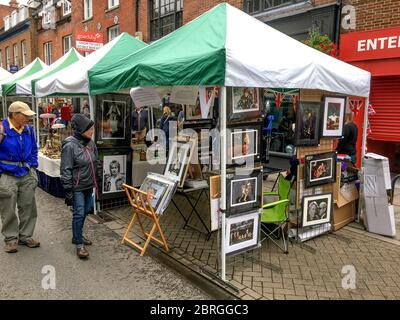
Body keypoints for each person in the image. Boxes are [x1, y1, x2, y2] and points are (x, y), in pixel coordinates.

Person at [0, 101, 40, 253]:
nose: (28, 119)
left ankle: (25, 236)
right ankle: (11, 239)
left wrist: (32, 165)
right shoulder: (2, 128)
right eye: (25, 115)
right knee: (8, 208)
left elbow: (34, 149)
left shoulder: (28, 129)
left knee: (28, 206)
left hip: (26, 172)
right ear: (14, 115)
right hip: (7, 174)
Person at [60, 114, 99, 259]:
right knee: (79, 213)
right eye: (90, 129)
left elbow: (96, 162)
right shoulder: (70, 145)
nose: (93, 131)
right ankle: (79, 245)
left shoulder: (91, 143)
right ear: (81, 129)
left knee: (86, 211)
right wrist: (68, 191)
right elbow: (66, 170)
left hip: (89, 185)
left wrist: (98, 180)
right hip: (77, 187)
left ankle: (77, 236)